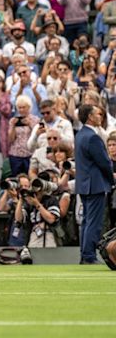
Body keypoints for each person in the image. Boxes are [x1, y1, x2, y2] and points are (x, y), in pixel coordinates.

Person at [75, 104, 114, 264]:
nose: (100, 116)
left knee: (86, 221)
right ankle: (89, 256)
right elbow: (104, 162)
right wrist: (111, 180)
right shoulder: (93, 137)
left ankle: (85, 254)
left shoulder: (80, 135)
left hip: (84, 184)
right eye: (98, 114)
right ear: (90, 117)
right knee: (94, 222)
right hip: (95, 185)